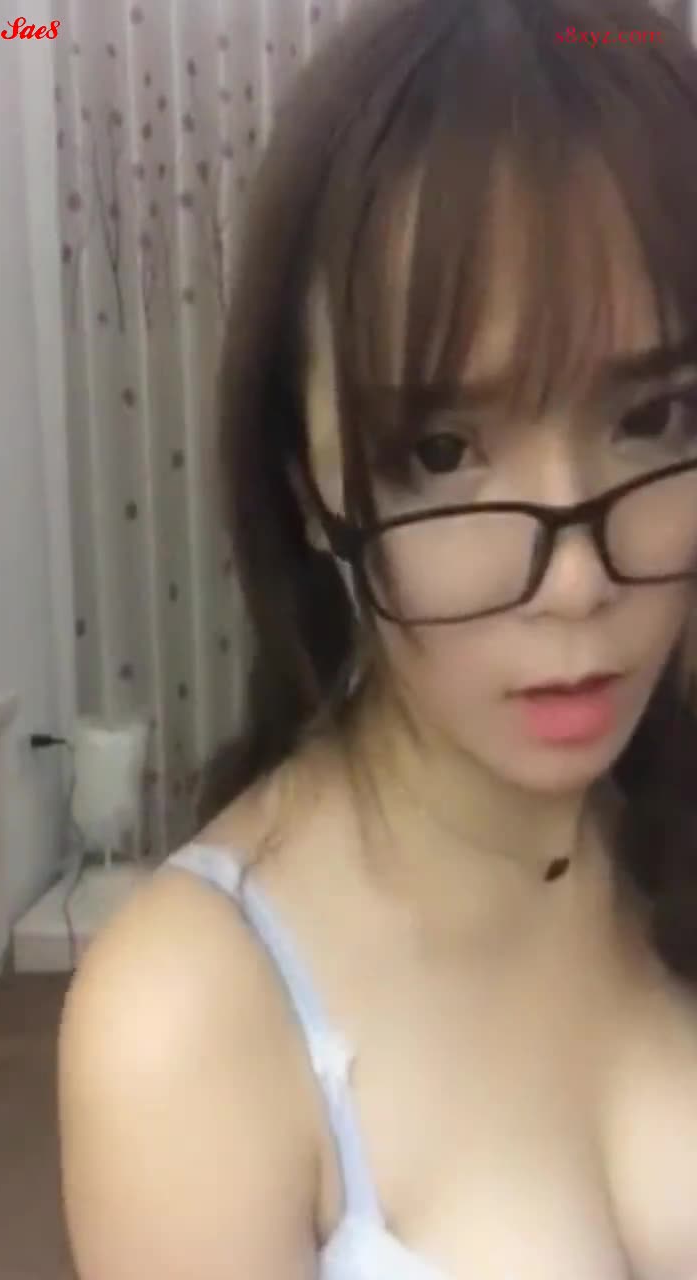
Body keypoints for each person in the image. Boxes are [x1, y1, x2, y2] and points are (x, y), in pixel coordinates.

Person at [57, 0, 697, 1276]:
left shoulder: (664, 824)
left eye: (652, 417)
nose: (576, 580)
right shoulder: (190, 1020)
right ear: (311, 485)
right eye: (442, 451)